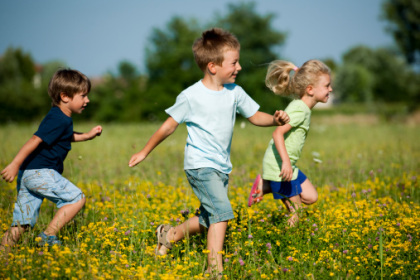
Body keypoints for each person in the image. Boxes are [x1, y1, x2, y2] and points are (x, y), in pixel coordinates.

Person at [129, 28, 289, 277]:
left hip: (221, 167)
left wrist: (275, 120)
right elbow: (169, 125)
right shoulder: (191, 96)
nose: (239, 68)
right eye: (234, 63)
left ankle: (170, 234)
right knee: (222, 213)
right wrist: (144, 151)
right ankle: (214, 271)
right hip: (200, 165)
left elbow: (255, 116)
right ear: (213, 66)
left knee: (209, 218)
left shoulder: (235, 92)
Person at [0, 69, 102, 252]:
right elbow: (34, 140)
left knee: (22, 222)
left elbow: (64, 137)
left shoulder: (59, 118)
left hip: (29, 173)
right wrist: (14, 164)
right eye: (84, 95)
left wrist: (87, 135)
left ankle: (3, 253)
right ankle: (48, 236)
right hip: (40, 172)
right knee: (76, 199)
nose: (87, 100)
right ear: (65, 96)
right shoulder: (58, 119)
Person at [248, 59, 332, 227]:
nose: (330, 89)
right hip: (281, 166)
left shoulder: (304, 109)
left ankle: (265, 186)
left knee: (311, 197)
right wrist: (285, 162)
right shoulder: (299, 109)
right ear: (310, 89)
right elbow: (277, 133)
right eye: (327, 85)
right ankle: (286, 248)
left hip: (288, 165)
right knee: (296, 212)